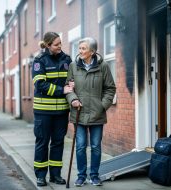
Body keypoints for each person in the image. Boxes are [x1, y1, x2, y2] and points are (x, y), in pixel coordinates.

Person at [65, 37, 116, 186]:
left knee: (95, 147)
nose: (80, 51)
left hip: (97, 113)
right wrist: (73, 99)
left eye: (83, 48)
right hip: (79, 113)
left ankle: (94, 175)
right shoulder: (73, 66)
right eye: (79, 48)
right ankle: (81, 175)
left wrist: (103, 105)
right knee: (80, 146)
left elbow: (110, 88)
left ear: (92, 51)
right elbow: (68, 88)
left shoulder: (103, 67)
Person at [32, 32, 73, 187]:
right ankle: (40, 175)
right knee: (42, 142)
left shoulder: (67, 59)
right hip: (43, 112)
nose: (60, 46)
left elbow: (71, 80)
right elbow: (40, 84)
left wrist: (72, 85)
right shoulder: (39, 61)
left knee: (58, 142)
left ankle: (55, 175)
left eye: (60, 43)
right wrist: (62, 90)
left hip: (62, 111)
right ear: (48, 45)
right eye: (56, 44)